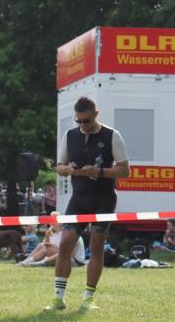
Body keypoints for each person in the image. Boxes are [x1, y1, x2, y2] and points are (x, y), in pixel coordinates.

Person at [48, 97, 129, 310]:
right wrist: (69, 170)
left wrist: (98, 172)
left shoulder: (112, 136)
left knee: (96, 246)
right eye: (79, 121)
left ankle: (88, 298)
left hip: (103, 198)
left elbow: (125, 170)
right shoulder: (70, 135)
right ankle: (58, 297)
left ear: (96, 114)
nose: (82, 125)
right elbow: (59, 166)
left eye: (86, 121)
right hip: (79, 198)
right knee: (65, 243)